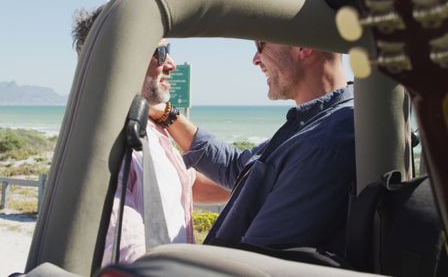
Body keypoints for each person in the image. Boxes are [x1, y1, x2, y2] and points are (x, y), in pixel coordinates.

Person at [149, 36, 354, 254]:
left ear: (303, 45)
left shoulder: (323, 143)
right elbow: (236, 167)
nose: (255, 59)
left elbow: (255, 255)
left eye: (261, 44)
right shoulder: (315, 123)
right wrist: (167, 114)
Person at [72, 7, 229, 266]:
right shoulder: (107, 142)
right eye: (162, 53)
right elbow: (130, 254)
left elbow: (186, 185)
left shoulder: (151, 128)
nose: (171, 64)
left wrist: (253, 187)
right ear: (124, 59)